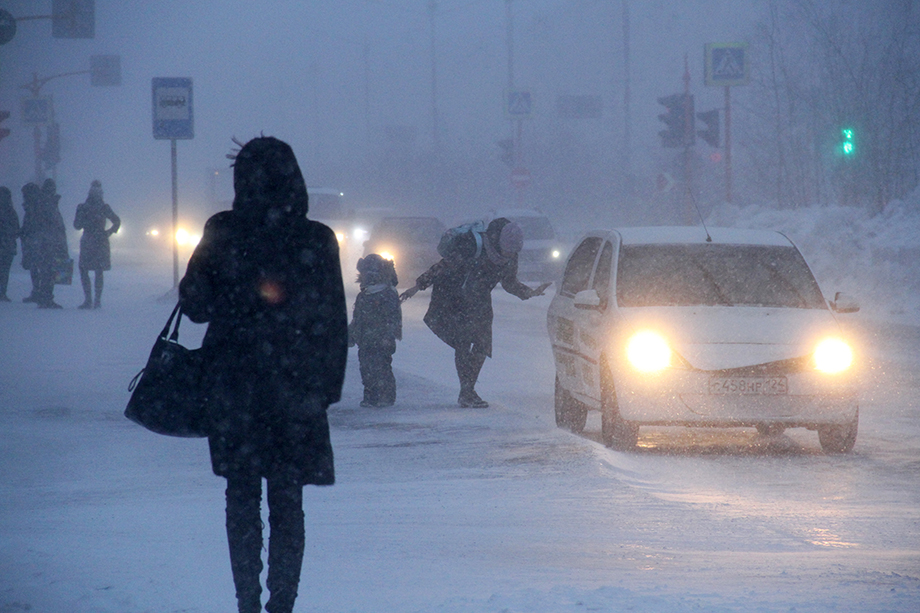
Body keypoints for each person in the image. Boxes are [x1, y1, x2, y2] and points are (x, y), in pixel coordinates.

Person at [178, 136, 347, 613]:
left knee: (241, 499)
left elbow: (195, 305)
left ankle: (247, 602)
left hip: (235, 388)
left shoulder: (224, 231)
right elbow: (334, 322)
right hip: (296, 390)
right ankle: (282, 604)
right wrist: (324, 391)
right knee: (288, 501)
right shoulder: (316, 239)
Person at [400, 217, 550, 408]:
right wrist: (417, 286)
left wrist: (529, 292)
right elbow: (443, 265)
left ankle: (467, 389)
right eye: (507, 250)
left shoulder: (511, 255)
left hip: (479, 300)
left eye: (513, 252)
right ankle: (467, 391)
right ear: (499, 241)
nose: (509, 254)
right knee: (463, 343)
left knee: (482, 345)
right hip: (454, 296)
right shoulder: (473, 246)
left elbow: (509, 282)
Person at [348, 253, 401, 407]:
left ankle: (386, 395)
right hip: (365, 340)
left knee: (382, 366)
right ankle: (371, 394)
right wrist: (351, 335)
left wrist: (388, 335)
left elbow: (392, 318)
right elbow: (357, 319)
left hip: (382, 339)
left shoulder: (387, 294)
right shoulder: (363, 295)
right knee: (366, 367)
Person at [20, 181, 69, 309]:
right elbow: (56, 224)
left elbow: (31, 225)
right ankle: (46, 298)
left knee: (41, 269)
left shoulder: (36, 205)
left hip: (39, 243)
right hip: (49, 243)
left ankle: (41, 295)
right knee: (49, 271)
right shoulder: (47, 204)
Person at [73, 180, 121, 309]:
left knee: (85, 270)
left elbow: (77, 225)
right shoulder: (103, 207)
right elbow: (116, 221)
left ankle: (89, 300)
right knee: (98, 271)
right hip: (100, 240)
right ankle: (95, 300)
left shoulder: (84, 207)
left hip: (89, 240)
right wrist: (108, 232)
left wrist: (84, 219)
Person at [0, 187, 20, 301]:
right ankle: (2, 292)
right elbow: (16, 230)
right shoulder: (11, 212)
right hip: (8, 246)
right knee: (4, 271)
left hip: (5, 245)